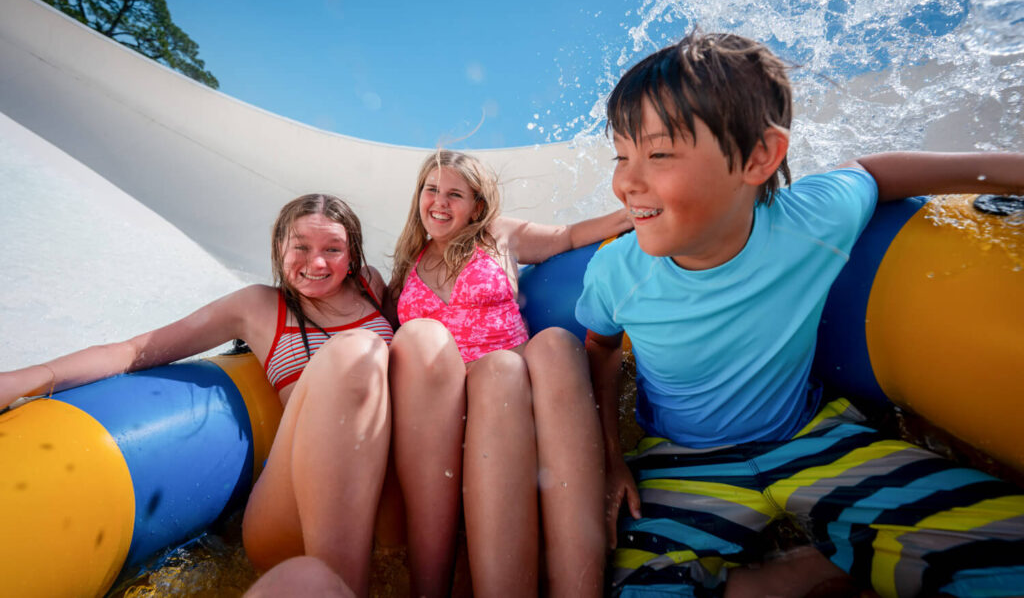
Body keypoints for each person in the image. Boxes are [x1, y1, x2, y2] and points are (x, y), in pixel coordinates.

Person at [575, 30, 1024, 597]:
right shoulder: (617, 270)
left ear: (760, 156)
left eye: (659, 153)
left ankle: (813, 562)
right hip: (681, 463)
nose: (625, 182)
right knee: (640, 587)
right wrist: (611, 460)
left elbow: (877, 172)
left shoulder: (810, 220)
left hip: (811, 441)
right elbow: (599, 346)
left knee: (1006, 559)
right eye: (622, 154)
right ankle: (796, 571)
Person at [0, 194, 393, 597]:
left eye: (333, 249)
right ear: (279, 247)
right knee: (354, 352)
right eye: (301, 247)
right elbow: (136, 350)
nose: (316, 263)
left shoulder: (370, 287)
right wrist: (30, 377)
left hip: (384, 485)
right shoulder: (257, 306)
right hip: (296, 496)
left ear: (352, 255)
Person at [386, 149, 632, 597]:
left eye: (455, 194)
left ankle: (579, 586)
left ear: (478, 205)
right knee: (497, 371)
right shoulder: (407, 264)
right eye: (431, 190)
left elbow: (568, 235)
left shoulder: (498, 236)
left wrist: (633, 213)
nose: (439, 202)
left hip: (516, 387)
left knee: (556, 344)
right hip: (448, 410)